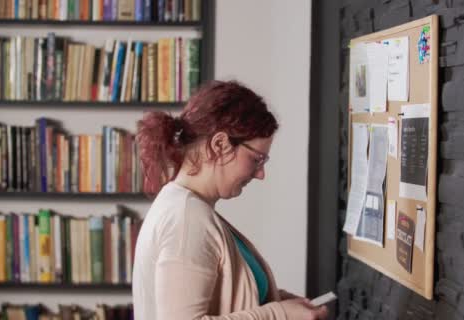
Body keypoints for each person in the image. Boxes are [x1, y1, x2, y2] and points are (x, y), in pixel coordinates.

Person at [132, 80, 328, 320]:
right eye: (257, 159)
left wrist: (278, 300)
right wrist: (278, 314)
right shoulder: (186, 219)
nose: (260, 174)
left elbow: (226, 294)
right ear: (220, 144)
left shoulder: (188, 208)